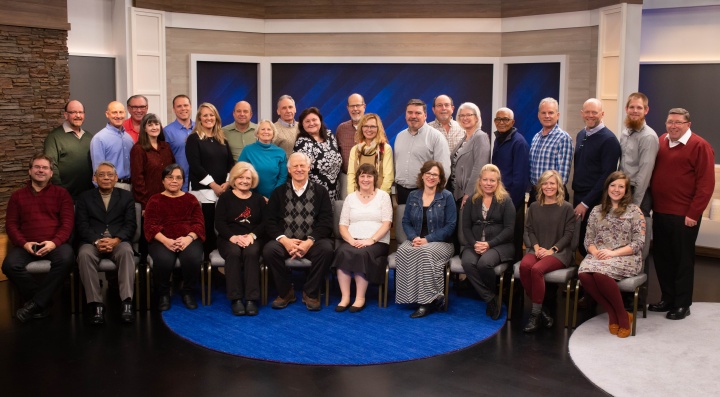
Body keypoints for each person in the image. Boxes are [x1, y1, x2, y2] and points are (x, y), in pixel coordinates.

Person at [648, 108, 715, 320]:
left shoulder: (700, 146)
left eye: (678, 122)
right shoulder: (661, 141)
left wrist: (694, 213)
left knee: (682, 261)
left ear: (688, 124)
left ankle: (682, 304)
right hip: (660, 212)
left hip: (685, 215)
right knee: (662, 258)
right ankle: (667, 298)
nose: (673, 126)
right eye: (670, 122)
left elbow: (706, 185)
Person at [2, 153, 74, 322]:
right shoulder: (17, 196)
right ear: (30, 171)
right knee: (9, 265)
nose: (41, 170)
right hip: (27, 244)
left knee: (67, 258)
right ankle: (42, 302)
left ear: (51, 173)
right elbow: (11, 225)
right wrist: (24, 244)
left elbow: (67, 224)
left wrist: (54, 243)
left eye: (45, 168)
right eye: (37, 167)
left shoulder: (62, 194)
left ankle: (34, 304)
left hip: (54, 243)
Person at [263, 152, 334, 312]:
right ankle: (286, 292)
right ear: (289, 170)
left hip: (312, 241)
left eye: (302, 165)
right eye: (295, 166)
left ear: (309, 167)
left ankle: (310, 293)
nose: (299, 169)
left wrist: (309, 241)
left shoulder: (321, 191)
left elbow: (326, 222)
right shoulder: (278, 192)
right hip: (286, 241)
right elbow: (270, 221)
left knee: (327, 249)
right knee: (269, 250)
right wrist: (285, 241)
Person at [578, 171, 646, 337]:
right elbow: (588, 240)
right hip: (598, 255)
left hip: (626, 257)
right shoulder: (596, 210)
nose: (616, 189)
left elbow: (638, 243)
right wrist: (596, 252)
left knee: (600, 274)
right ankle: (616, 312)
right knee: (584, 274)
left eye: (621, 186)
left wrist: (612, 253)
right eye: (613, 185)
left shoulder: (635, 211)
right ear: (607, 187)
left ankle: (620, 317)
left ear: (626, 190)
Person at [75, 162, 137, 325]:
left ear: (116, 178)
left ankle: (127, 303)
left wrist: (116, 240)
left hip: (118, 240)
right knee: (84, 254)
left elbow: (130, 224)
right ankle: (96, 305)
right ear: (94, 178)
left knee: (126, 251)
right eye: (101, 174)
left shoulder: (126, 197)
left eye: (110, 174)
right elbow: (82, 225)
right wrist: (96, 241)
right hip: (92, 241)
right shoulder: (84, 197)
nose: (106, 178)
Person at [395, 160, 456, 318]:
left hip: (441, 243)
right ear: (422, 175)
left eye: (435, 174)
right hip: (417, 239)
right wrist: (414, 237)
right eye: (428, 173)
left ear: (440, 178)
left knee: (425, 252)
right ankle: (412, 297)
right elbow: (406, 221)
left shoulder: (447, 197)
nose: (431, 177)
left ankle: (427, 302)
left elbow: (450, 226)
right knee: (402, 251)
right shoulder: (413, 196)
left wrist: (427, 239)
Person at [519, 170, 575, 332]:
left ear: (559, 186)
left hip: (558, 252)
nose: (548, 186)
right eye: (545, 183)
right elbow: (529, 230)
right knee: (524, 266)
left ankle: (535, 314)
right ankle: (542, 310)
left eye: (552, 183)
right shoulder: (534, 207)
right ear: (540, 186)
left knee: (537, 269)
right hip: (537, 249)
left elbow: (569, 234)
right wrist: (536, 247)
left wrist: (552, 250)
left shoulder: (566, 208)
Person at [144, 164, 205, 311]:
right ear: (163, 181)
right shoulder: (154, 200)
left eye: (178, 178)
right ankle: (164, 294)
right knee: (164, 260)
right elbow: (150, 226)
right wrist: (166, 241)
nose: (174, 181)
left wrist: (188, 238)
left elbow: (199, 223)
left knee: (193, 258)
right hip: (162, 239)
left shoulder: (191, 199)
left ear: (183, 181)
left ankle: (187, 292)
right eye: (170, 177)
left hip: (188, 238)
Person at [332, 163, 392, 313]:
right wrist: (351, 240)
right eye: (362, 176)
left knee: (361, 253)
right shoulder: (350, 198)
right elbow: (343, 225)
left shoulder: (383, 196)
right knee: (342, 252)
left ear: (375, 178)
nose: (365, 179)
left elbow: (387, 223)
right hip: (352, 239)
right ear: (357, 179)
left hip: (377, 241)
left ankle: (360, 298)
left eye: (369, 176)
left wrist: (370, 240)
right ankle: (345, 297)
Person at [460, 164, 515, 320]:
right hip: (475, 243)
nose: (488, 183)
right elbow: (466, 227)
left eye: (492, 180)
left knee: (484, 263)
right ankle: (490, 298)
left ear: (498, 182)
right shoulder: (472, 200)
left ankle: (489, 296)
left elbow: (510, 229)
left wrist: (489, 244)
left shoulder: (505, 200)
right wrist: (474, 243)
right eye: (485, 180)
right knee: (468, 263)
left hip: (499, 245)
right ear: (480, 181)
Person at [215, 162, 266, 316]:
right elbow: (219, 223)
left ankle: (251, 299)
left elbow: (265, 223)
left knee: (251, 253)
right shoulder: (225, 198)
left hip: (252, 238)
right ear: (234, 179)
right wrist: (233, 237)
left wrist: (252, 236)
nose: (244, 181)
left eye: (248, 178)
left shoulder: (258, 199)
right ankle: (236, 298)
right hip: (228, 238)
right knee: (234, 253)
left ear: (253, 181)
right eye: (241, 177)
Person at [572, 98, 621, 256]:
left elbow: (607, 176)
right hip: (579, 196)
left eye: (594, 112)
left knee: (592, 244)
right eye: (587, 112)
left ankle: (591, 279)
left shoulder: (609, 140)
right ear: (582, 113)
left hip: (595, 201)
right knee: (580, 243)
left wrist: (585, 203)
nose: (590, 115)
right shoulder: (581, 134)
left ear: (602, 114)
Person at [186, 102, 234, 258]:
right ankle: (206, 265)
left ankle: (219, 265)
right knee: (206, 228)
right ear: (199, 118)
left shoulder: (222, 139)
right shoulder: (193, 139)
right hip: (204, 191)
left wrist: (227, 183)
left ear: (216, 118)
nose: (208, 118)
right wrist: (213, 185)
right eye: (205, 115)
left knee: (220, 227)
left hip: (222, 191)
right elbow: (195, 166)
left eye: (211, 115)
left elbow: (230, 164)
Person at [393, 99, 452, 205]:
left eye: (418, 113)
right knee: (404, 221)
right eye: (410, 112)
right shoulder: (399, 136)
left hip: (426, 192)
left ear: (425, 115)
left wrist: (435, 195)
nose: (413, 116)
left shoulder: (436, 137)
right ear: (405, 115)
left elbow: (444, 171)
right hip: (401, 193)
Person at [492, 107, 530, 262]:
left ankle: (511, 281)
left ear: (513, 122)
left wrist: (509, 205)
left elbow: (520, 180)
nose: (502, 122)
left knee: (512, 239)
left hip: (513, 202)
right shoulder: (498, 139)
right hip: (499, 198)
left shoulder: (518, 142)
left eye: (505, 119)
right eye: (498, 119)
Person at [43, 99, 94, 199]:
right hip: (66, 197)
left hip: (89, 196)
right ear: (66, 115)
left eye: (80, 112)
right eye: (73, 112)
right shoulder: (54, 137)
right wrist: (60, 191)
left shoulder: (89, 137)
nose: (78, 115)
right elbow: (51, 166)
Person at [618, 92, 659, 216]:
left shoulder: (648, 137)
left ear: (646, 110)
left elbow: (645, 173)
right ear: (626, 109)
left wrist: (635, 204)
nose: (635, 111)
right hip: (623, 189)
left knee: (638, 233)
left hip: (638, 192)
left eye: (639, 108)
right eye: (632, 107)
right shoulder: (625, 133)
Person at [528, 97, 573, 204]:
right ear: (539, 115)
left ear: (558, 115)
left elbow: (562, 176)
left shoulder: (563, 138)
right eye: (543, 113)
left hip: (553, 195)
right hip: (535, 193)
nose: (547, 116)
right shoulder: (536, 137)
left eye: (551, 113)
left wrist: (549, 191)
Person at [293, 107, 342, 202]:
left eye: (314, 120)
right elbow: (300, 171)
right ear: (302, 125)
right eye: (307, 121)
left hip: (335, 191)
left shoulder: (330, 136)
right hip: (314, 194)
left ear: (320, 120)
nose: (311, 123)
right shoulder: (302, 143)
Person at [130, 113, 176, 211]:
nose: (154, 127)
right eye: (150, 125)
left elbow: (174, 171)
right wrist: (144, 204)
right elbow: (137, 179)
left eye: (156, 124)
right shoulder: (138, 149)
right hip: (149, 201)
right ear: (144, 129)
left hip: (169, 197)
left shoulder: (166, 147)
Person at [451, 102, 490, 209]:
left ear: (477, 118)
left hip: (471, 194)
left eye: (469, 115)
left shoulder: (480, 137)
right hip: (458, 193)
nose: (465, 118)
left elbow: (479, 168)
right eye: (462, 115)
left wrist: (469, 193)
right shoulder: (464, 138)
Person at [238, 119, 288, 200]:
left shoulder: (280, 152)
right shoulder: (247, 150)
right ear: (257, 133)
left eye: (269, 129)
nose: (266, 131)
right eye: (263, 129)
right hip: (250, 197)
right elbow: (239, 174)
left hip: (274, 197)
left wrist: (274, 195)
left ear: (273, 133)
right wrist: (254, 196)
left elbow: (283, 177)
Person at [90, 101, 135, 191]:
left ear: (125, 114)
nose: (118, 116)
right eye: (114, 112)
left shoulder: (128, 138)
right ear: (107, 114)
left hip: (130, 186)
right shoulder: (99, 138)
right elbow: (98, 170)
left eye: (121, 112)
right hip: (111, 187)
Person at [346, 113, 394, 195]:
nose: (369, 129)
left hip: (379, 196)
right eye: (366, 126)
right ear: (361, 128)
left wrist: (379, 197)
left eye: (372, 126)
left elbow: (388, 177)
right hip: (358, 197)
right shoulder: (355, 150)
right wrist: (352, 196)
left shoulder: (385, 149)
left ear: (378, 129)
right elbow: (351, 175)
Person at [164, 94, 195, 192]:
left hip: (200, 183)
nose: (183, 108)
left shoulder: (200, 128)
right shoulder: (167, 131)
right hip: (179, 183)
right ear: (174, 109)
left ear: (190, 107)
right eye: (179, 106)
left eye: (185, 105)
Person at [335, 93, 366, 174]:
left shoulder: (374, 127)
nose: (355, 109)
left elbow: (384, 151)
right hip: (346, 177)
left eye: (358, 105)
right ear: (348, 108)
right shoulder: (341, 129)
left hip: (369, 179)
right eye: (352, 106)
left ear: (364, 106)